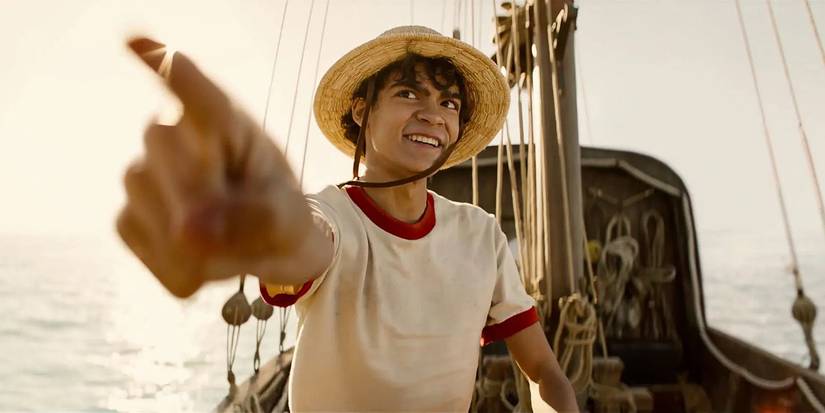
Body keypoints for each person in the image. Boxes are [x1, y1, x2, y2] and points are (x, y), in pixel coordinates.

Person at [119, 25, 578, 412]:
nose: (433, 115)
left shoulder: (481, 234)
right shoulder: (330, 216)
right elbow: (307, 243)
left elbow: (541, 370)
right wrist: (276, 230)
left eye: (449, 104)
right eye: (408, 93)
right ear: (362, 110)